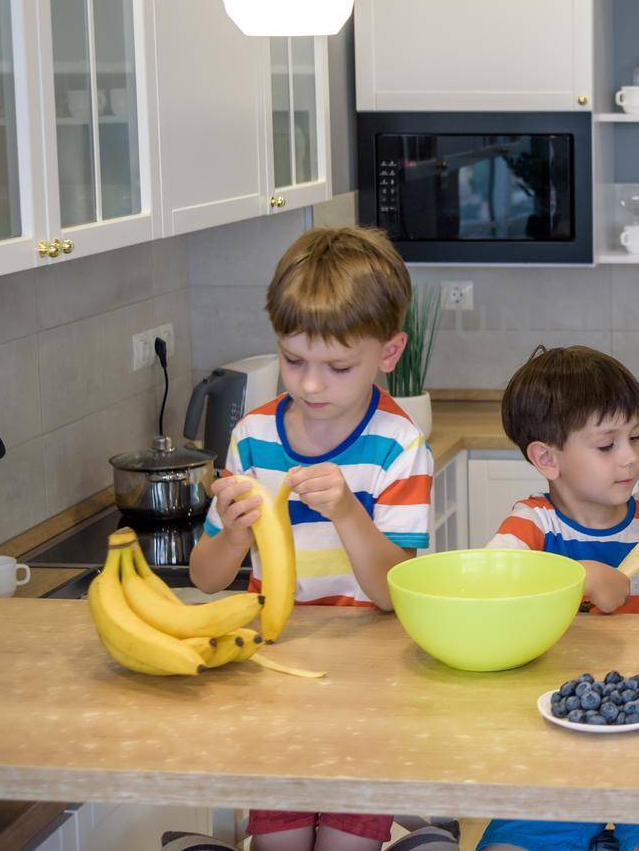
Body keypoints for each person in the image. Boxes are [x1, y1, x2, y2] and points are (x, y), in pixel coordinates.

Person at [188, 225, 449, 851]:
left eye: (337, 366)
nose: (309, 385)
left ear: (389, 352)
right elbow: (204, 578)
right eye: (293, 359)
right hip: (273, 676)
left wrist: (349, 515)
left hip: (368, 688)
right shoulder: (251, 438)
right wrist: (232, 534)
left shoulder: (399, 446)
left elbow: (395, 596)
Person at [481, 345, 639, 850]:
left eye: (634, 436)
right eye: (607, 445)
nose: (631, 457)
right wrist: (577, 575)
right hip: (554, 748)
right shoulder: (532, 523)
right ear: (546, 458)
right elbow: (492, 589)